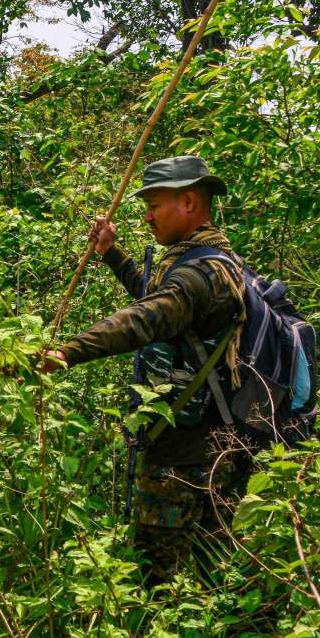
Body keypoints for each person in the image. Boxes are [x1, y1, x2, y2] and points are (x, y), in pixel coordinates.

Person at [41, 155, 254, 584]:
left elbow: (146, 317)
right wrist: (111, 253)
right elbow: (156, 297)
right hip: (218, 442)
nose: (147, 215)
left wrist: (66, 353)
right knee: (216, 570)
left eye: (155, 204)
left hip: (186, 455)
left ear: (190, 201)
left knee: (159, 574)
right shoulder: (209, 260)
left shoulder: (200, 274)